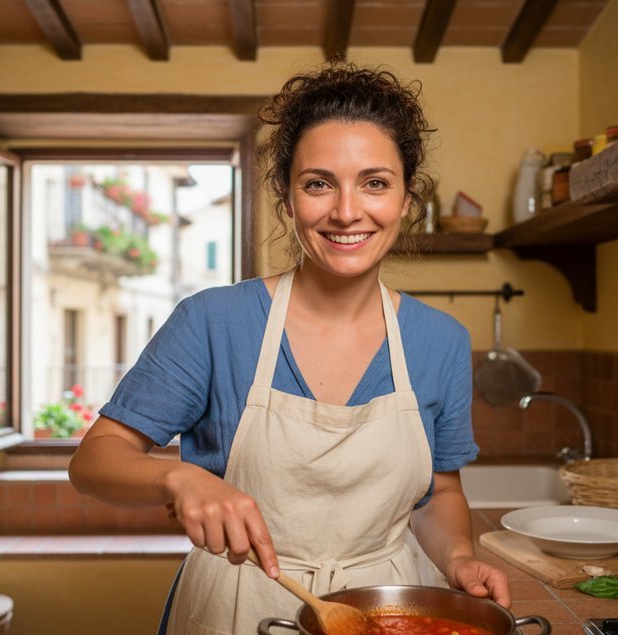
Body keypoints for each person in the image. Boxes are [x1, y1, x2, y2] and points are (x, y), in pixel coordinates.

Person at [68, 62, 510, 635]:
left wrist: (458, 558)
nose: (346, 211)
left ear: (406, 199)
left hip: (387, 607)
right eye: (318, 183)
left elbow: (438, 491)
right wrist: (180, 479)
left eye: (375, 183)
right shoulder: (214, 322)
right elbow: (94, 460)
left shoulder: (441, 341)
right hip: (236, 603)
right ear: (287, 197)